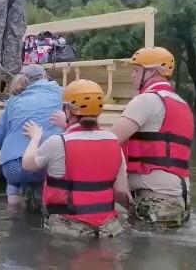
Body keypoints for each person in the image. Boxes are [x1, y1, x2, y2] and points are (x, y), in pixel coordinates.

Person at [21, 79, 130, 238]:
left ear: (67, 110)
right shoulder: (113, 141)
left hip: (69, 228)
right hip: (108, 229)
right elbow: (120, 191)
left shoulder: (58, 142)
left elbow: (27, 164)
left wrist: (35, 137)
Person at [110, 46, 194, 227]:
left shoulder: (146, 100)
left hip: (155, 198)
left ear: (153, 72)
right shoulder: (182, 104)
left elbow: (108, 142)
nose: (132, 75)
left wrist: (73, 126)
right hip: (179, 195)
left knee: (144, 254)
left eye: (136, 70)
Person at [0, 65, 62, 210]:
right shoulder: (58, 92)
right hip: (44, 164)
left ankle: (13, 206)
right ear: (44, 77)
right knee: (46, 187)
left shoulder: (12, 101)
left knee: (13, 184)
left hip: (13, 166)